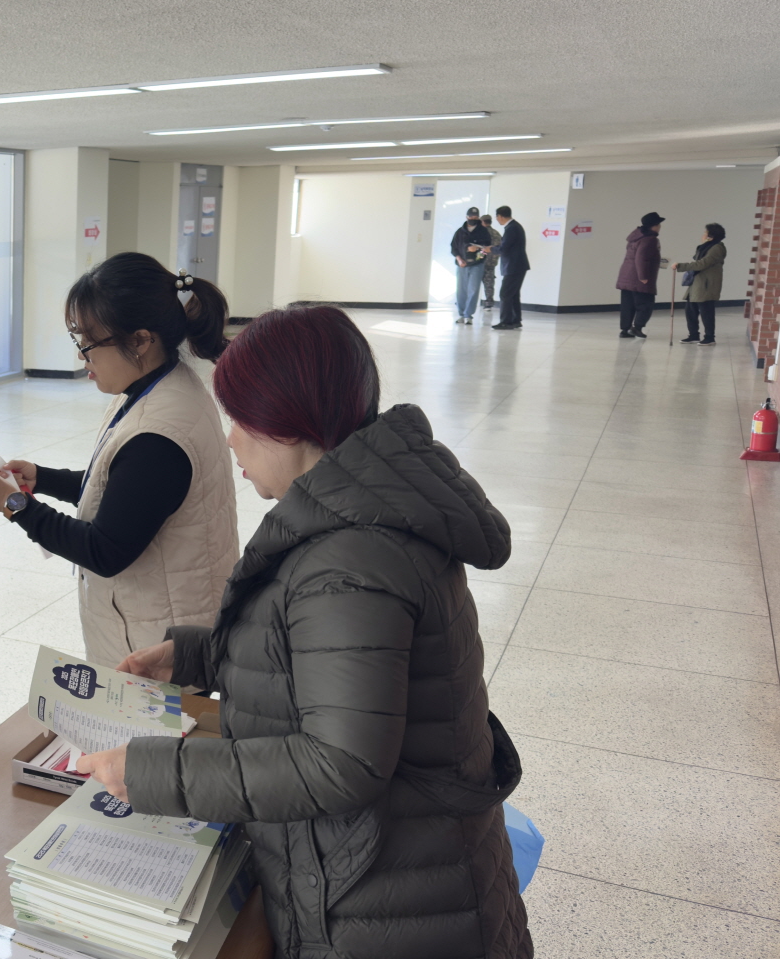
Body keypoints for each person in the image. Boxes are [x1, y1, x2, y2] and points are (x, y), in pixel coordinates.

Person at [78, 304, 531, 959]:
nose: (229, 439)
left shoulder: (351, 560)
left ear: (287, 426)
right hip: (391, 873)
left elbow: (340, 760)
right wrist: (198, 655)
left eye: (240, 420)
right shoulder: (355, 509)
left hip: (387, 908)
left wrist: (153, 772)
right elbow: (328, 657)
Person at [0, 253, 238, 668]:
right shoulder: (157, 388)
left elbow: (104, 550)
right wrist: (41, 477)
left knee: (152, 734)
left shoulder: (159, 434)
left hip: (159, 638)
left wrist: (13, 504)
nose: (81, 357)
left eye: (88, 343)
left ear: (141, 340)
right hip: (159, 617)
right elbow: (119, 489)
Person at [675, 223, 727, 345]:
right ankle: (693, 335)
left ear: (711, 236)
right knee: (690, 310)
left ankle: (709, 337)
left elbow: (702, 264)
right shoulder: (707, 247)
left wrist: (681, 266)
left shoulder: (717, 248)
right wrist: (703, 245)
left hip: (707, 284)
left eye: (705, 233)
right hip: (697, 283)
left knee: (706, 311)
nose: (703, 235)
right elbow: (697, 259)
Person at [617, 211, 664, 338]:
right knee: (646, 304)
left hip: (627, 276)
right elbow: (641, 258)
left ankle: (625, 330)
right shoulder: (650, 239)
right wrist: (643, 277)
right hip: (639, 278)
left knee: (628, 305)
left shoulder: (636, 237)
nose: (660, 227)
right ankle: (637, 327)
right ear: (653, 225)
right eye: (659, 224)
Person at [449, 207, 492, 325]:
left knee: (473, 289)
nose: (473, 219)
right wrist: (459, 259)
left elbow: (488, 247)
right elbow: (454, 247)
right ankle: (461, 314)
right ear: (466, 217)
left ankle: (469, 315)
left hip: (477, 264)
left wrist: (477, 248)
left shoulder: (483, 231)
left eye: (475, 217)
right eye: (471, 217)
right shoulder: (460, 231)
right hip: (462, 264)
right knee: (461, 290)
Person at [491, 206, 529, 331]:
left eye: (497, 217)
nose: (497, 220)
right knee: (513, 294)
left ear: (500, 216)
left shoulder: (511, 228)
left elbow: (504, 248)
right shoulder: (514, 226)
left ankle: (506, 322)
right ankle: (515, 320)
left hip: (514, 266)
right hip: (518, 265)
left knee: (505, 294)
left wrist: (490, 249)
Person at [479, 212, 503, 309]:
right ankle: (489, 303)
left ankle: (470, 303)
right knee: (489, 284)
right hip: (492, 263)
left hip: (480, 261)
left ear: (483, 222)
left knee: (473, 283)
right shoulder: (497, 234)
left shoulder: (481, 233)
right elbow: (500, 248)